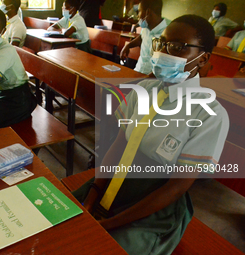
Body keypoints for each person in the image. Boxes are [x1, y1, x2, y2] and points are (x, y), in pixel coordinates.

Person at [73, 14, 229, 255]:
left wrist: (108, 225)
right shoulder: (144, 90)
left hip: (156, 205)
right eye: (162, 43)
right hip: (117, 182)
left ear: (203, 58)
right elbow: (119, 145)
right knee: (63, 216)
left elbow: (176, 188)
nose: (165, 52)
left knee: (103, 247)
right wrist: (95, 191)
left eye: (177, 47)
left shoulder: (209, 114)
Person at [120, 0, 170, 75]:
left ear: (148, 12)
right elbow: (141, 38)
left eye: (139, 11)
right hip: (138, 70)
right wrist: (128, 45)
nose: (138, 16)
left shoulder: (167, 32)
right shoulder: (146, 26)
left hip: (151, 78)